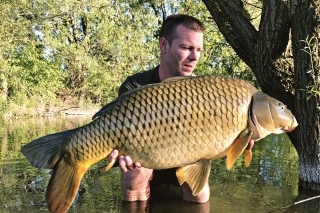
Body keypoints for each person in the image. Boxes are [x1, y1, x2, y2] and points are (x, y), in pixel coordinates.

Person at [107, 14, 209, 203]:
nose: (195, 57)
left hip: (186, 153)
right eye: (187, 48)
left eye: (198, 50)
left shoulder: (202, 90)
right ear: (164, 45)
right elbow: (117, 133)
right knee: (134, 173)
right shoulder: (135, 86)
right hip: (147, 158)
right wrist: (120, 152)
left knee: (200, 195)